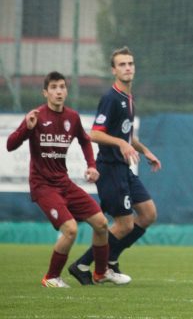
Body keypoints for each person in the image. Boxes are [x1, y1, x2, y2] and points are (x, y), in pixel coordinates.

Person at [6, 71, 131, 287]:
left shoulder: (72, 117)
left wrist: (91, 166)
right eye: (53, 87)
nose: (58, 91)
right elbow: (10, 145)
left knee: (101, 223)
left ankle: (100, 273)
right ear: (45, 92)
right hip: (43, 186)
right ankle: (51, 277)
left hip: (63, 183)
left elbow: (85, 141)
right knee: (71, 229)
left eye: (62, 87)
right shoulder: (36, 116)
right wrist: (26, 127)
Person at [70, 46, 162, 285]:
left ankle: (111, 260)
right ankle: (82, 265)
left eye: (130, 63)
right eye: (122, 64)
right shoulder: (110, 98)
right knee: (124, 224)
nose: (127, 68)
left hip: (124, 168)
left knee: (149, 214)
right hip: (109, 169)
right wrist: (121, 143)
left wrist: (146, 151)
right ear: (113, 70)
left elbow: (127, 135)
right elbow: (95, 134)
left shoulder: (129, 98)